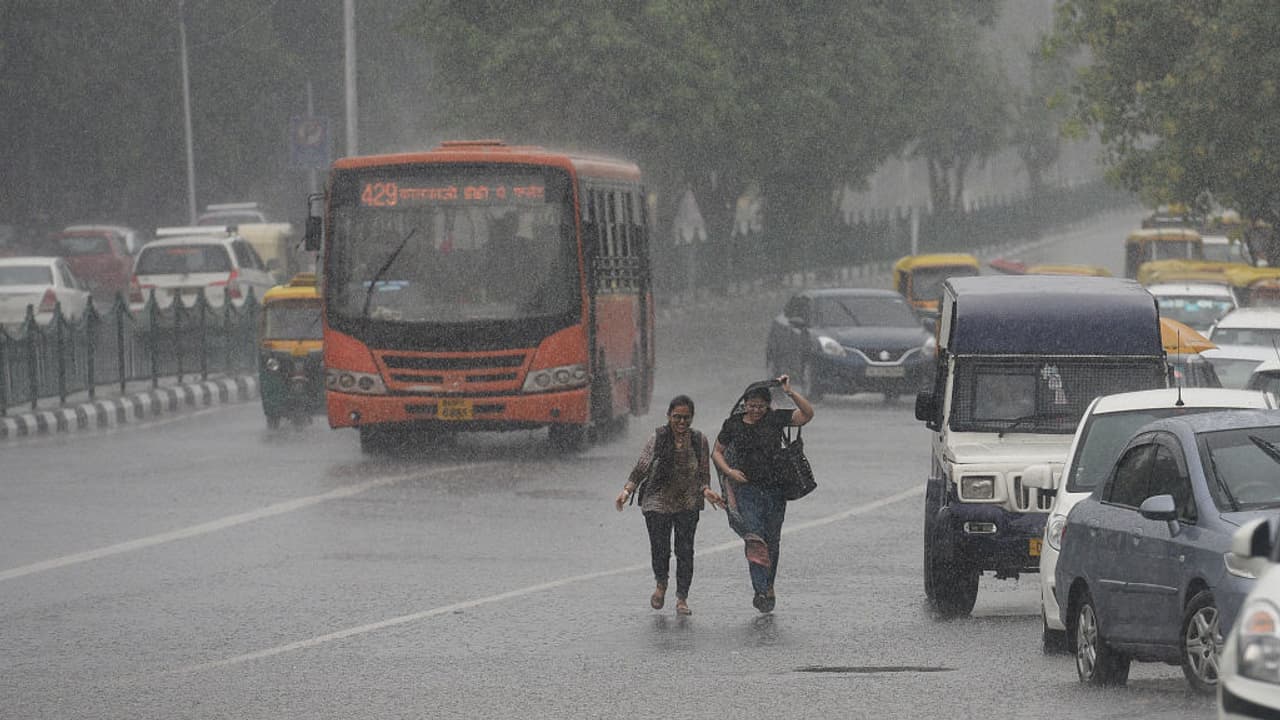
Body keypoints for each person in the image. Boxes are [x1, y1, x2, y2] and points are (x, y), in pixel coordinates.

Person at [712, 375, 815, 613]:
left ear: (767, 405)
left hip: (775, 490)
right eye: (751, 405)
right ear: (744, 404)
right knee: (755, 538)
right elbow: (717, 451)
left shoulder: (775, 419)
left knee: (771, 541)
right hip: (747, 489)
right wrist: (730, 471)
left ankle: (769, 586)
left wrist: (789, 391)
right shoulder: (733, 424)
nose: (756, 410)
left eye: (760, 405)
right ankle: (759, 589)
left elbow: (807, 414)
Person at [615, 395, 725, 616]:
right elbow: (642, 466)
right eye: (677, 417)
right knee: (660, 548)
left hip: (688, 501)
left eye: (686, 418)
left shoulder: (698, 440)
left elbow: (703, 472)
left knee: (685, 551)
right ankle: (661, 585)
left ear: (692, 418)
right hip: (657, 501)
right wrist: (626, 491)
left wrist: (707, 490)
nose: (681, 422)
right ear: (668, 416)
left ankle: (682, 598)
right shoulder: (657, 437)